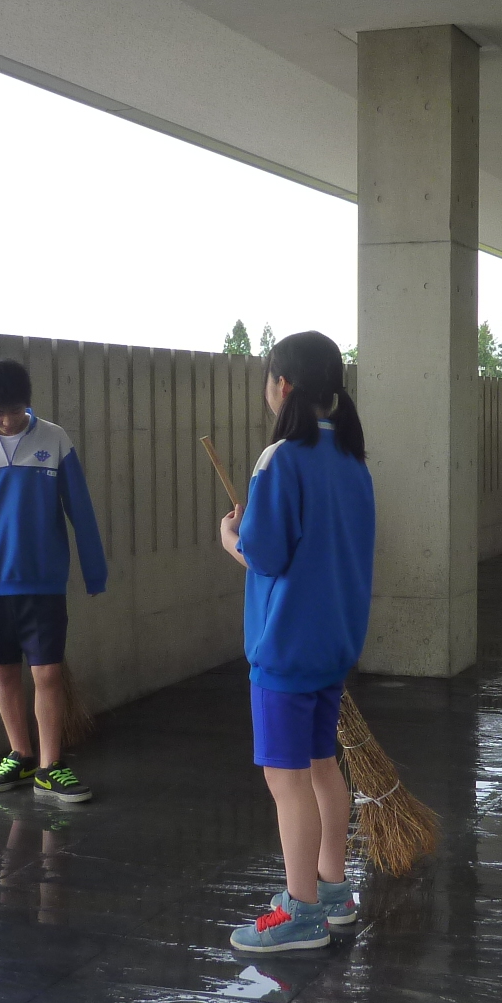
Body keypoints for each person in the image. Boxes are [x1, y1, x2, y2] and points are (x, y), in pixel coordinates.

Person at [217, 331, 376, 953]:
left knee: (286, 781)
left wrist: (231, 536)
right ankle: (333, 891)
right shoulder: (353, 459)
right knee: (320, 767)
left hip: (284, 646)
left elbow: (264, 555)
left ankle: (301, 910)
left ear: (282, 385)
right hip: (334, 641)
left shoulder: (280, 458)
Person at [0, 356, 109, 808]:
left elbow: (81, 509)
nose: (7, 420)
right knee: (4, 671)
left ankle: (50, 766)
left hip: (43, 580)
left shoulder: (54, 438)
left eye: (14, 411)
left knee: (47, 672)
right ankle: (21, 755)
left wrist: (94, 570)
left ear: (28, 403)